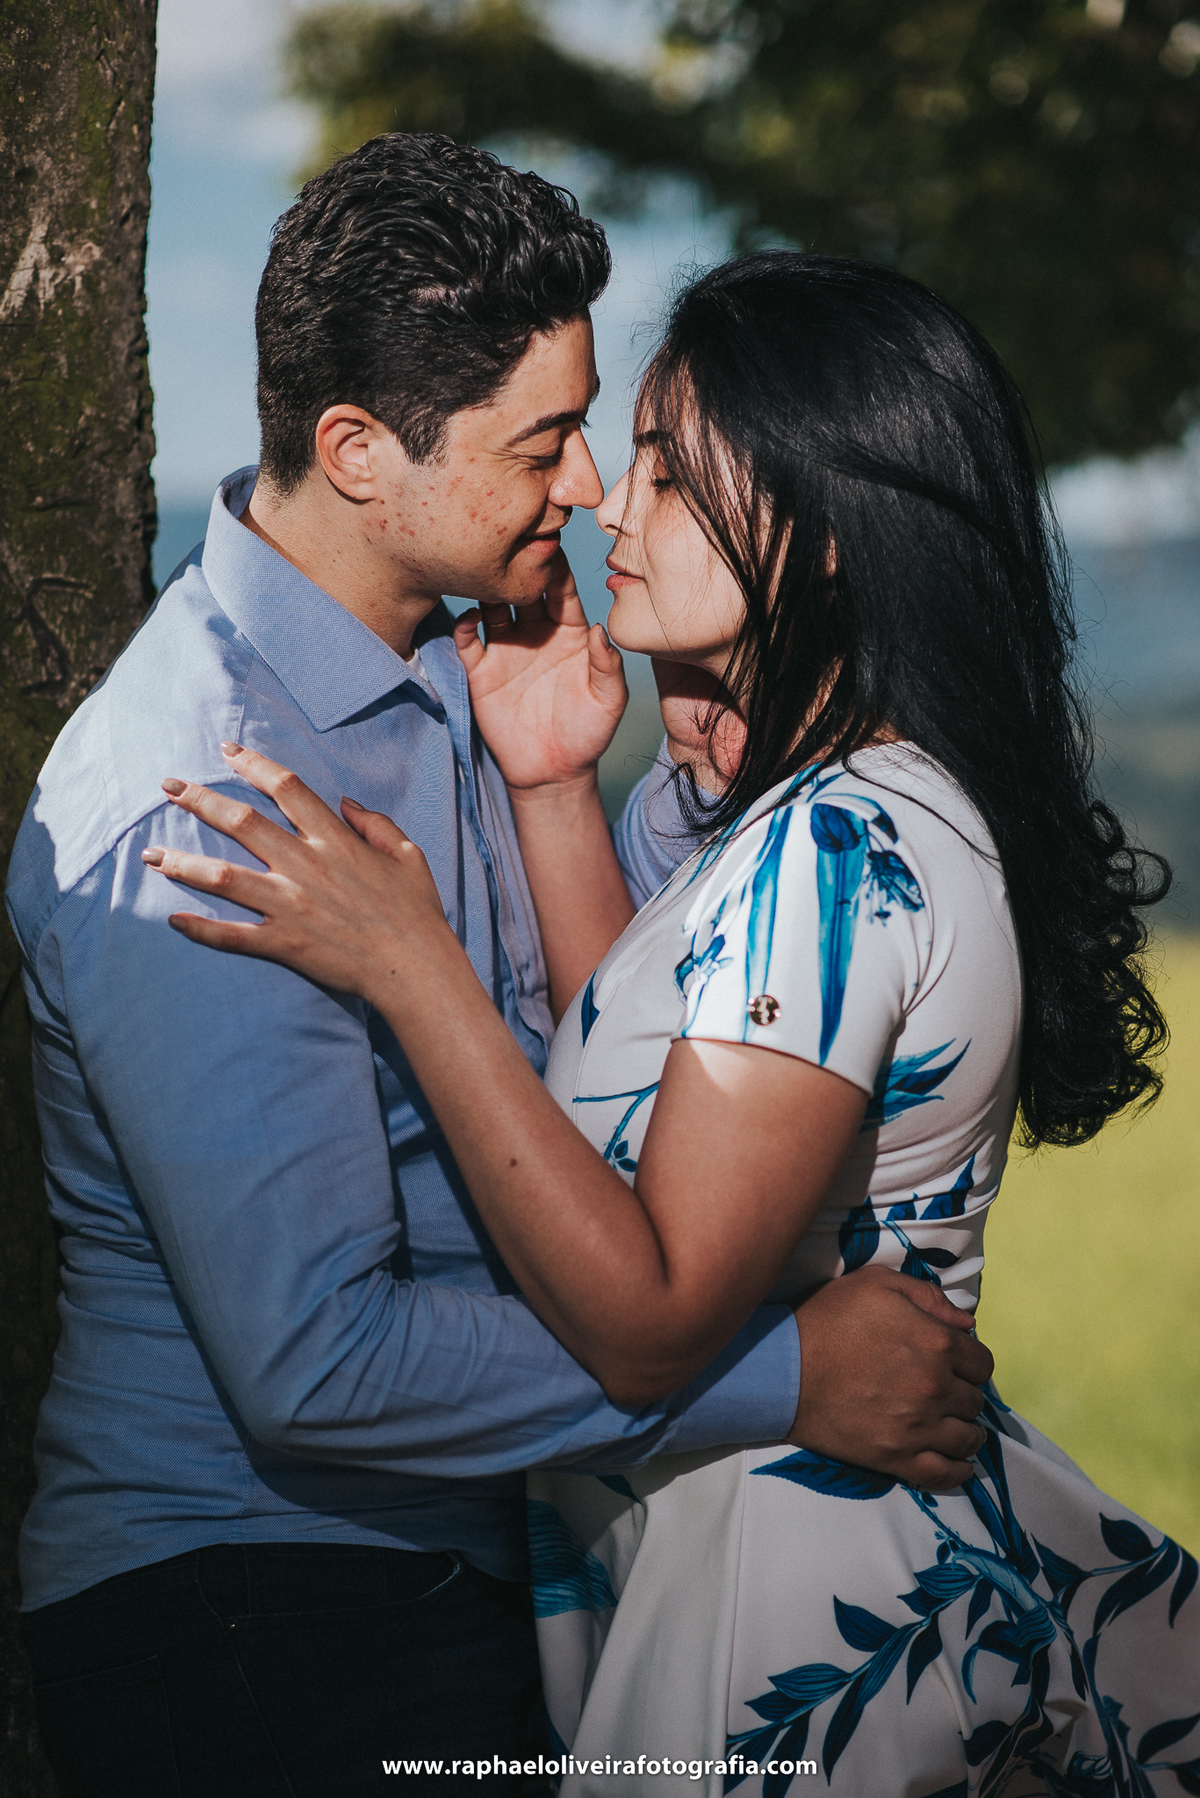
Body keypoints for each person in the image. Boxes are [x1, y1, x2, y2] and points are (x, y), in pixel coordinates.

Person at [4, 144, 992, 1797]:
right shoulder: (203, 801)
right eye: (543, 443)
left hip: (441, 1579)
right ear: (359, 452)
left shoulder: (471, 656)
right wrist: (786, 1377)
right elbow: (322, 1363)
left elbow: (634, 1065)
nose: (589, 486)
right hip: (261, 1616)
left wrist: (577, 785)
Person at [151, 252, 1200, 1797]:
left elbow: (652, 1310)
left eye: (669, 469)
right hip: (761, 1567)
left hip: (790, 1619)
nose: (609, 507)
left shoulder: (834, 847)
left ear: (826, 532)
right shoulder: (817, 814)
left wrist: (410, 965)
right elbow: (655, 1112)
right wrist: (554, 785)